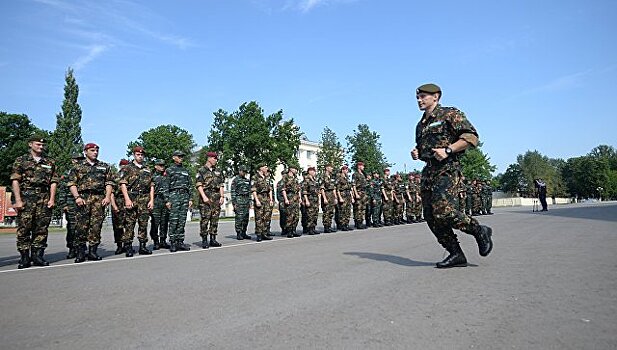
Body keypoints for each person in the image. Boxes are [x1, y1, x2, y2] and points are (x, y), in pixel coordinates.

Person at [410, 83, 493, 268]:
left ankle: (479, 230)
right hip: (429, 172)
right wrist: (417, 153)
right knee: (431, 217)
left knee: (444, 212)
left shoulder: (449, 114)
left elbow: (471, 137)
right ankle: (456, 254)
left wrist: (449, 149)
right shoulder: (420, 125)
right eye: (418, 97)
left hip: (447, 169)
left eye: (423, 96)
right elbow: (425, 149)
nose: (419, 100)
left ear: (436, 97)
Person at [10, 134, 59, 268]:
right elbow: (15, 180)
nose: (41, 147)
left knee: (41, 228)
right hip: (26, 196)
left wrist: (52, 199)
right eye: (38, 144)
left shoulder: (50, 162)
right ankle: (24, 257)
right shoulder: (21, 160)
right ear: (30, 144)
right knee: (24, 228)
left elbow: (53, 182)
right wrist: (18, 200)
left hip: (43, 197)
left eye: (43, 145)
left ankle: (38, 256)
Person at [67, 143, 114, 263]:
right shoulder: (78, 166)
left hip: (98, 198)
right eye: (92, 150)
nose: (95, 152)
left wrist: (107, 196)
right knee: (81, 226)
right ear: (85, 152)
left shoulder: (104, 166)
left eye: (97, 150)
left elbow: (109, 183)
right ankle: (80, 252)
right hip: (83, 198)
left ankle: (93, 251)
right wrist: (77, 197)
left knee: (96, 226)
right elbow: (72, 183)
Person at [118, 146, 154, 256]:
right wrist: (127, 199)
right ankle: (128, 246)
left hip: (144, 197)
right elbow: (123, 184)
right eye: (138, 154)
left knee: (143, 223)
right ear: (134, 155)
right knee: (129, 223)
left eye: (142, 155)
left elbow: (152, 186)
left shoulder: (147, 169)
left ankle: (142, 246)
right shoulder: (127, 168)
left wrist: (151, 200)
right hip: (132, 196)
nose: (140, 156)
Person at [58, 152, 85, 259]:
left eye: (81, 159)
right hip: (70, 202)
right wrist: (63, 204)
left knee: (83, 226)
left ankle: (81, 248)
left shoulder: (84, 171)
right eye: (77, 159)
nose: (79, 161)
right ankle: (72, 248)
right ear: (73, 160)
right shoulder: (68, 173)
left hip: (83, 202)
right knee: (72, 227)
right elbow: (63, 190)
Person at [195, 151, 225, 249]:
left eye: (216, 158)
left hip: (216, 198)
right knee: (205, 219)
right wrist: (203, 197)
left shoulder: (218, 171)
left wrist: (222, 196)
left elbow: (221, 185)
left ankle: (213, 239)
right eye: (214, 158)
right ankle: (204, 239)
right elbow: (199, 185)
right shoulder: (201, 170)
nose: (216, 160)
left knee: (215, 219)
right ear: (209, 158)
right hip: (206, 197)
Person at [166, 150, 192, 252]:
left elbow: (190, 185)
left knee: (182, 220)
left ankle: (180, 241)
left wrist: (190, 198)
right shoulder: (169, 170)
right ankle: (172, 242)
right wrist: (167, 200)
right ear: (174, 157)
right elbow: (165, 185)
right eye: (179, 156)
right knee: (174, 220)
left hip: (184, 196)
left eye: (182, 156)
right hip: (174, 195)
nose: (181, 158)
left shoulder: (186, 170)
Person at [150, 159, 171, 249]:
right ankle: (155, 241)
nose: (162, 167)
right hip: (156, 200)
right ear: (156, 166)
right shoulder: (152, 176)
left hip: (165, 202)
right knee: (155, 222)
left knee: (164, 222)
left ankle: (163, 240)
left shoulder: (166, 177)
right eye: (160, 165)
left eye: (163, 165)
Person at [110, 159, 129, 255]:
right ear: (120, 166)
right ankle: (119, 245)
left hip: (128, 202)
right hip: (118, 201)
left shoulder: (130, 176)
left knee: (128, 225)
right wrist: (114, 205)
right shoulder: (114, 176)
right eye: (123, 165)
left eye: (126, 165)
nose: (124, 167)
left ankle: (127, 245)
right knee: (117, 226)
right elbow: (111, 193)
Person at [251, 163, 274, 242]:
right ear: (261, 168)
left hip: (266, 198)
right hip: (259, 197)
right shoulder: (255, 177)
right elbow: (253, 190)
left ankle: (264, 233)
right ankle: (259, 234)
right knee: (259, 217)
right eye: (265, 167)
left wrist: (271, 200)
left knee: (266, 217)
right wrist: (256, 200)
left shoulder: (267, 177)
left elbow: (270, 189)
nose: (267, 168)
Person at [231, 165, 252, 240]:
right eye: (243, 171)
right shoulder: (235, 180)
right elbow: (233, 192)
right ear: (239, 171)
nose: (244, 173)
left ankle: (244, 232)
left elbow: (249, 192)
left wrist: (250, 201)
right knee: (239, 218)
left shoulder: (247, 181)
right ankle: (238, 233)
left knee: (246, 217)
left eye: (245, 172)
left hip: (246, 200)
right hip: (239, 200)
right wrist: (234, 203)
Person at [281, 164, 301, 238]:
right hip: (289, 197)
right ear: (290, 169)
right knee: (289, 215)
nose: (296, 170)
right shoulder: (285, 177)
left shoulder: (295, 178)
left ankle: (294, 230)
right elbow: (283, 189)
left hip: (296, 198)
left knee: (296, 215)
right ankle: (289, 231)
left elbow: (298, 189)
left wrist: (300, 198)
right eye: (295, 169)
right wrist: (286, 199)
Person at [320, 164, 339, 233]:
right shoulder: (323, 176)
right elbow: (322, 188)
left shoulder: (331, 177)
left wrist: (335, 198)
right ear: (327, 168)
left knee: (331, 212)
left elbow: (333, 188)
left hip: (331, 196)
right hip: (326, 195)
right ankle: (326, 227)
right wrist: (324, 198)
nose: (332, 169)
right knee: (326, 212)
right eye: (331, 167)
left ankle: (329, 226)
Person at [302, 166, 321, 235]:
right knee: (310, 215)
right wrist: (306, 200)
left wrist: (318, 200)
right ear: (310, 172)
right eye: (313, 171)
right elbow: (304, 192)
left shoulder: (314, 180)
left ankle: (313, 228)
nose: (315, 172)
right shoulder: (306, 180)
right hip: (310, 200)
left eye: (315, 171)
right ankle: (309, 229)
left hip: (315, 200)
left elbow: (318, 191)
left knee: (315, 215)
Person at [336, 165, 354, 231]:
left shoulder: (347, 178)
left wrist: (352, 197)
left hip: (348, 195)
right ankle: (342, 225)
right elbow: (337, 189)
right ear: (342, 170)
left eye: (347, 170)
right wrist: (340, 197)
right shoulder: (339, 178)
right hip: (342, 195)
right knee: (342, 211)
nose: (347, 171)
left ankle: (346, 224)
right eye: (346, 170)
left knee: (348, 211)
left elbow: (350, 189)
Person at [352, 161, 368, 229]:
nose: (363, 167)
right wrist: (355, 194)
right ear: (359, 166)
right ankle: (358, 223)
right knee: (358, 208)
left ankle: (361, 222)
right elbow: (353, 185)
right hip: (358, 192)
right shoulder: (355, 174)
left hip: (363, 193)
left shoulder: (363, 174)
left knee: (363, 208)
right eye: (362, 166)